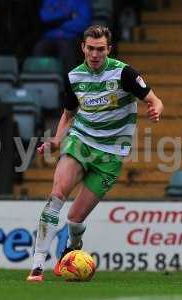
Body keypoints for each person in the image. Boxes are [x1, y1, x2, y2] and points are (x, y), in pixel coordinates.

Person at [26, 25, 164, 283]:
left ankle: (72, 247)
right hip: (81, 142)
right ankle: (37, 267)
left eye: (100, 49)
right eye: (90, 48)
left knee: (75, 219)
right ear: (83, 48)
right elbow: (68, 114)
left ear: (108, 50)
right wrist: (56, 141)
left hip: (110, 155)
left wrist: (155, 109)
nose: (95, 54)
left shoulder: (124, 73)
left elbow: (155, 100)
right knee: (57, 195)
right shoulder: (74, 77)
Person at [33, 0, 92, 73]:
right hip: (49, 37)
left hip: (69, 37)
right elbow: (44, 17)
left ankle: (66, 82)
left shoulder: (81, 1)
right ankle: (39, 80)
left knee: (66, 50)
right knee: (38, 49)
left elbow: (82, 24)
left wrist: (55, 23)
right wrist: (67, 15)